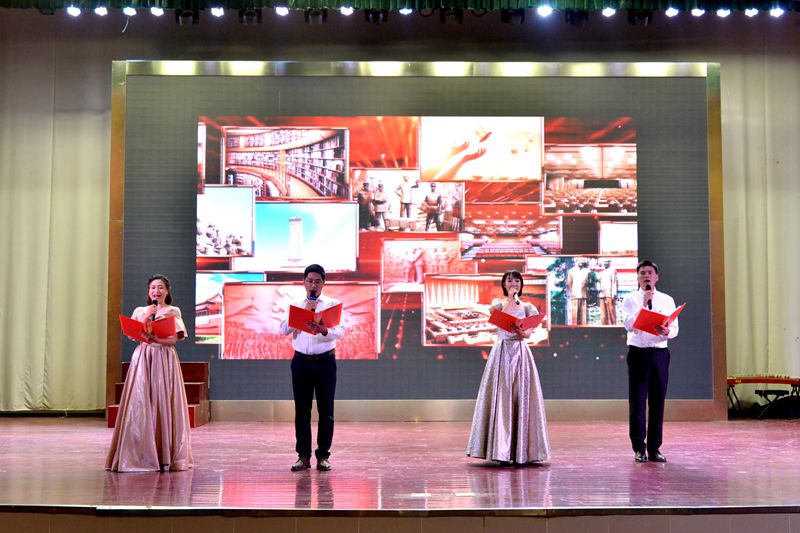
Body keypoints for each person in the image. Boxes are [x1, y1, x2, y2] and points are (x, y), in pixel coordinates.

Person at [106, 274, 193, 472]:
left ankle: (164, 454)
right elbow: (134, 334)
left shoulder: (173, 310)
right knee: (141, 400)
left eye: (161, 287)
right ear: (148, 291)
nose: (156, 291)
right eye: (153, 287)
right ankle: (139, 454)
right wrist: (147, 318)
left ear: (167, 291)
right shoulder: (140, 311)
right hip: (143, 357)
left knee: (163, 400)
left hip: (164, 357)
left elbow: (174, 339)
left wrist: (156, 339)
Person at [466, 270, 551, 465]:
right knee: (502, 397)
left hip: (520, 353)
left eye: (517, 281)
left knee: (521, 396)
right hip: (502, 352)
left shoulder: (528, 307)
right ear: (504, 285)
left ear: (522, 284)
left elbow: (528, 334)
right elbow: (501, 319)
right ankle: (501, 450)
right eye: (509, 281)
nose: (513, 284)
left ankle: (522, 451)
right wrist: (512, 299)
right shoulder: (498, 304)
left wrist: (522, 331)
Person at [280, 264, 345, 472]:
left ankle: (323, 456)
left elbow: (341, 331)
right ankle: (303, 456)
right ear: (304, 282)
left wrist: (324, 329)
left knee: (326, 411)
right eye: (310, 281)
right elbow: (283, 330)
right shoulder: (295, 304)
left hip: (325, 362)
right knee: (302, 411)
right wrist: (302, 315)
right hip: (301, 362)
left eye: (317, 281)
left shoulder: (332, 304)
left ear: (323, 283)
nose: (313, 285)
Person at [621, 260, 679, 463]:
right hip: (638, 353)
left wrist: (666, 331)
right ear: (638, 277)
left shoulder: (667, 299)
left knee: (657, 401)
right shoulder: (630, 299)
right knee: (637, 401)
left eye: (650, 272)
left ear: (656, 277)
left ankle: (655, 448)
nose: (646, 276)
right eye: (643, 273)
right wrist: (643, 305)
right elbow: (628, 325)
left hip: (660, 354)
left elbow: (675, 330)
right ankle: (639, 448)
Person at [566, 260, 590, 325]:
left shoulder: (587, 271)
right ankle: (574, 327)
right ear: (576, 261)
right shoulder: (571, 271)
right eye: (579, 260)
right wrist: (571, 292)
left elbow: (589, 283)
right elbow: (569, 283)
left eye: (582, 260)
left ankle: (584, 327)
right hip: (575, 294)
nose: (581, 262)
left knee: (584, 313)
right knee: (575, 312)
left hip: (584, 294)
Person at [598, 260, 619, 325]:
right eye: (604, 262)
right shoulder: (601, 273)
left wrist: (614, 294)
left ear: (609, 263)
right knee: (603, 312)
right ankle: (603, 326)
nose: (605, 264)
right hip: (602, 294)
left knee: (611, 311)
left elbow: (614, 283)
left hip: (610, 294)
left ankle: (613, 326)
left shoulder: (612, 271)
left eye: (607, 262)